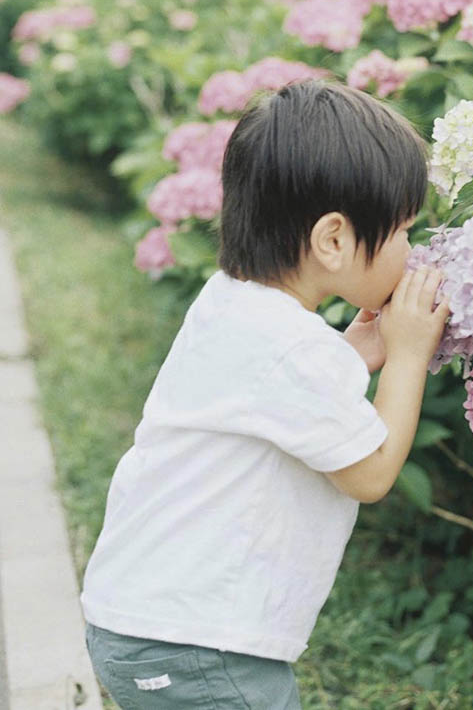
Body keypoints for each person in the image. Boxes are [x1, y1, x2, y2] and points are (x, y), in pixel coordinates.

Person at [80, 80, 449, 708]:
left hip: (144, 621)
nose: (410, 250)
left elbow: (269, 399)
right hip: (198, 648)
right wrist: (409, 353)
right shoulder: (294, 351)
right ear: (333, 239)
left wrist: (355, 353)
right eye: (403, 232)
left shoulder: (233, 302)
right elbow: (371, 473)